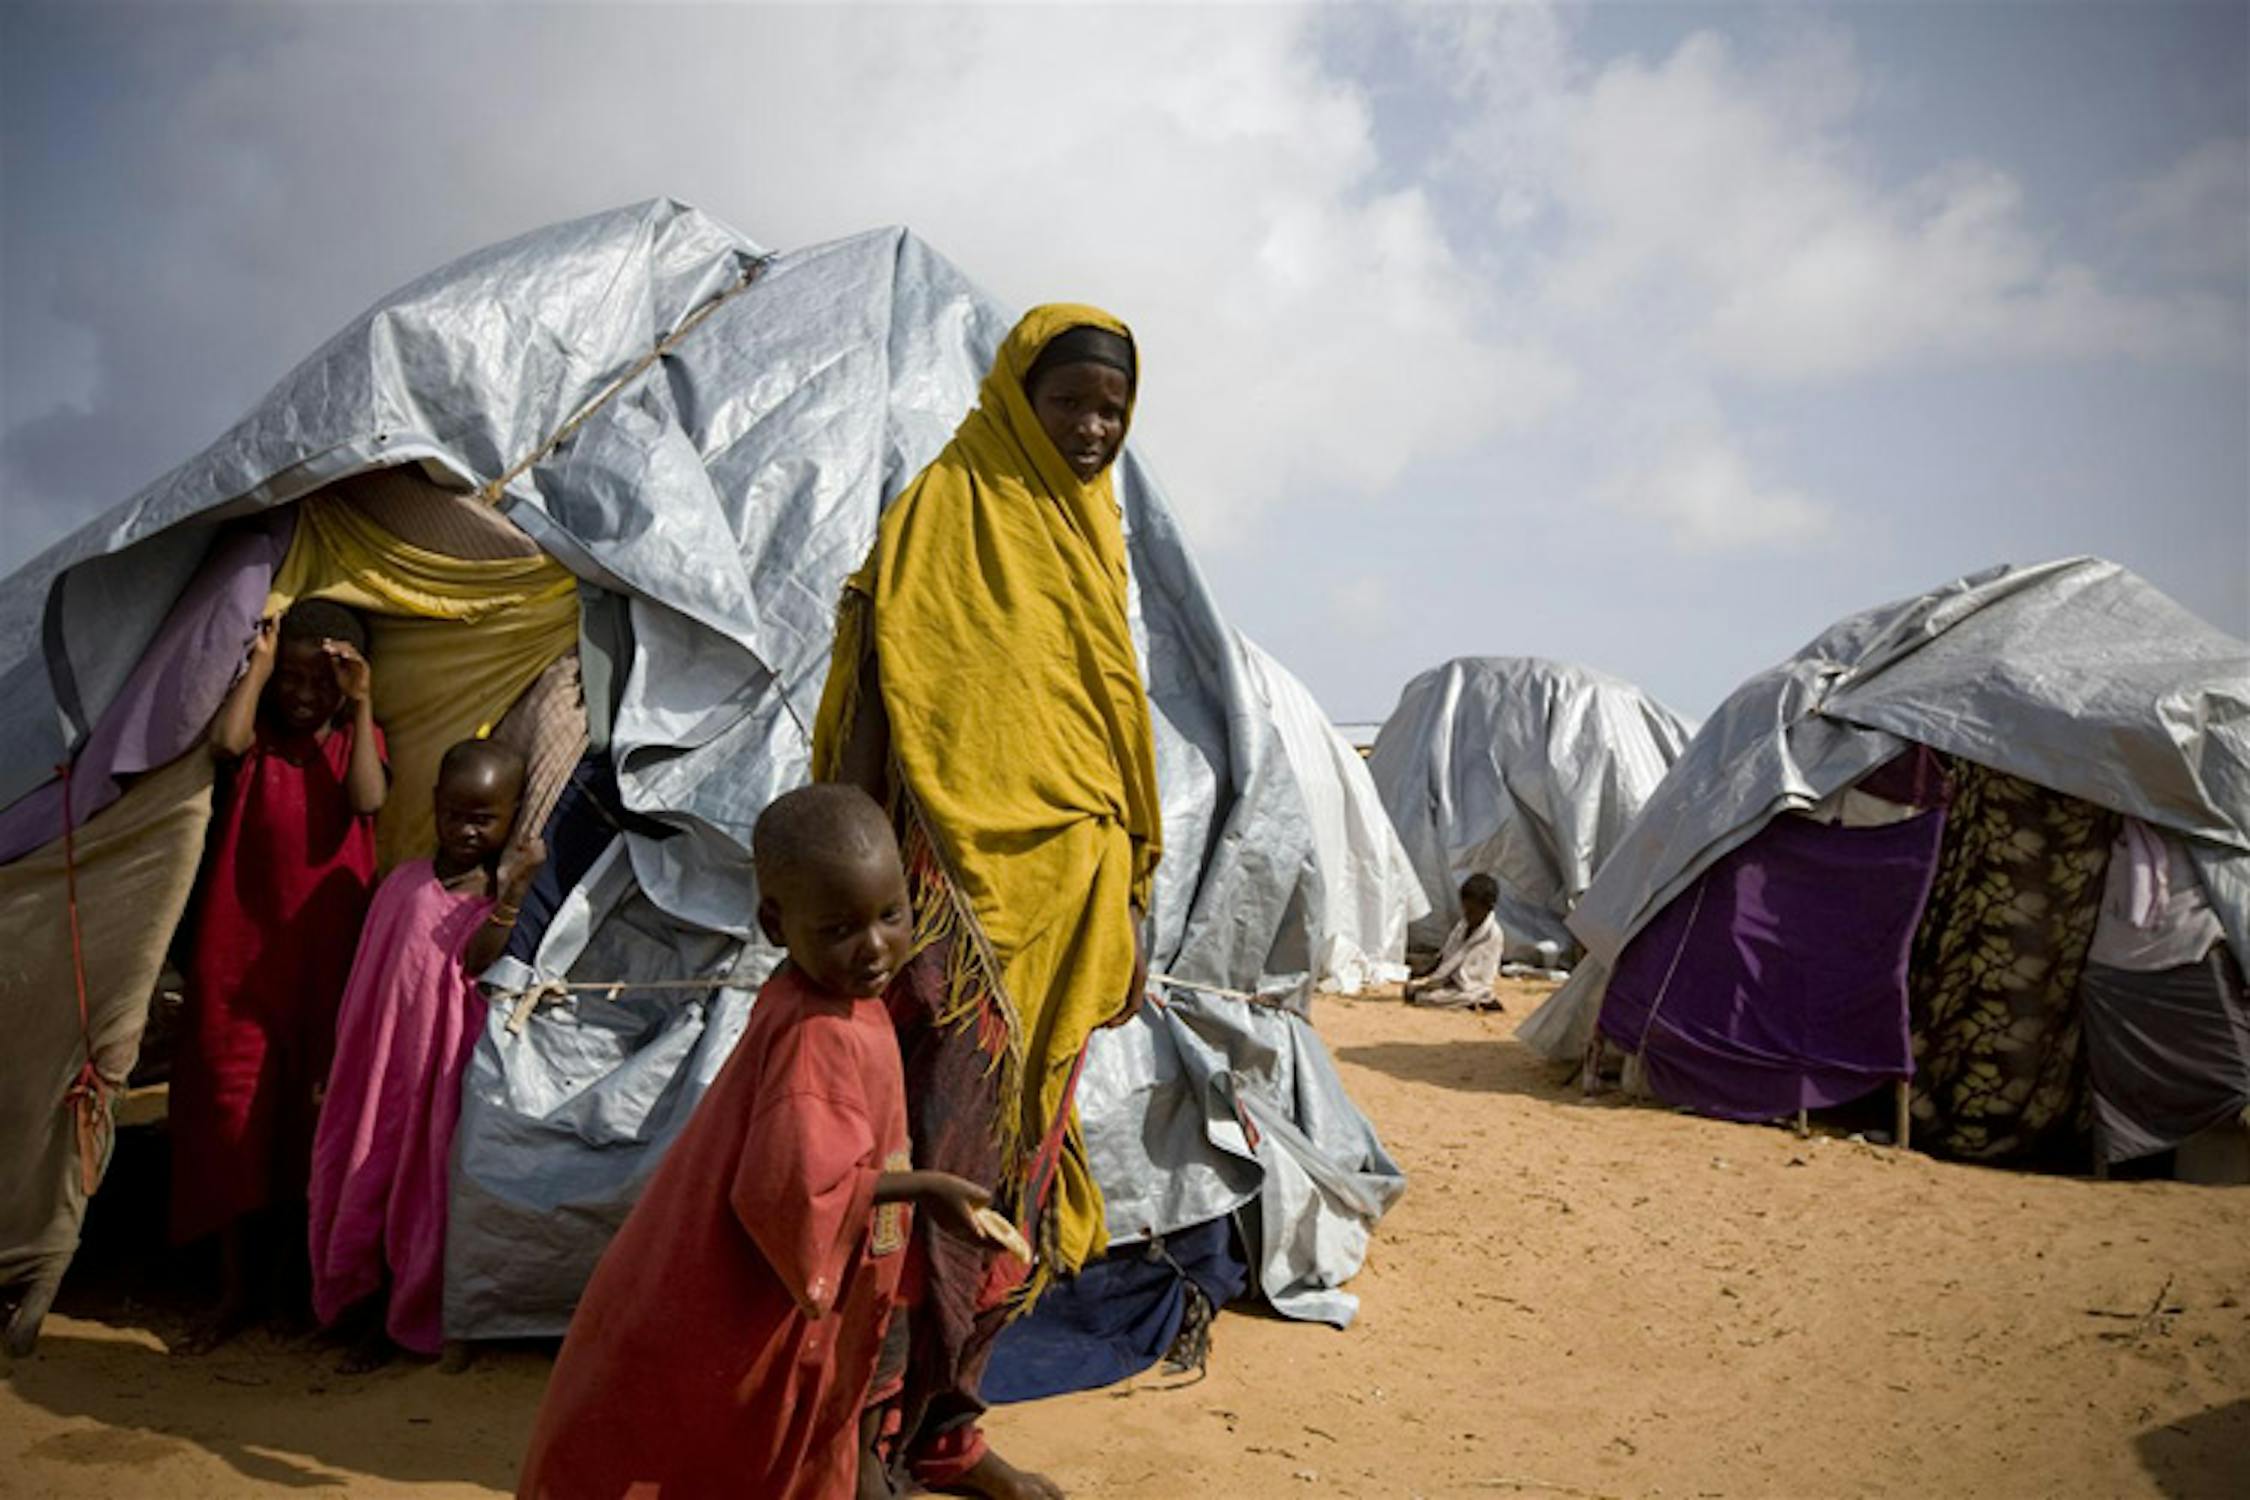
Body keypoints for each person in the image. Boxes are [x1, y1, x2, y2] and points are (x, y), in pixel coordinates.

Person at [811, 306, 1161, 1500]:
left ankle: (948, 1429)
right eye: (1071, 402)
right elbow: (880, 686)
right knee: (914, 1175)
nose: (1093, 425)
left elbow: (1110, 738)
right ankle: (855, 1435)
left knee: (1011, 1184)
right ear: (1023, 396)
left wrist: (1132, 917)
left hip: (1068, 922)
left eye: (1113, 407)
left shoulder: (1095, 534)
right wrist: (842, 873)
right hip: (951, 921)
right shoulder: (945, 511)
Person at [517, 784, 1001, 1500]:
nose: (874, 947)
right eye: (840, 930)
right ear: (776, 925)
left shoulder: (832, 995)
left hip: (773, 1271)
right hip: (755, 1286)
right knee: (741, 1444)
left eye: (890, 916)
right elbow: (792, 1191)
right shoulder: (821, 1037)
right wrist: (926, 1190)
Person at [170, 599, 387, 1354]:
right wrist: (258, 665)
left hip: (325, 971)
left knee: (308, 1126)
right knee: (232, 1122)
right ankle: (233, 1290)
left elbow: (368, 799)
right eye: (288, 677)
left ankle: (292, 1289)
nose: (301, 693)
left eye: (316, 681)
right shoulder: (258, 738)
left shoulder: (357, 742)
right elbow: (224, 741)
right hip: (238, 960)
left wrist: (360, 706)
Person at [306, 738, 543, 1373]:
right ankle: (349, 1303)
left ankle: (398, 1319)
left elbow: (479, 963)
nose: (468, 829)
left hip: (439, 1080)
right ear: (435, 804)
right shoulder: (403, 884)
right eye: (456, 812)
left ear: (512, 817)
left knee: (421, 1195)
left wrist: (516, 891)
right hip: (376, 1071)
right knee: (360, 1176)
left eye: (484, 817)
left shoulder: (493, 906)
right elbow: (368, 981)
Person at [1405, 874, 1506, 1010]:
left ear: (1489, 907)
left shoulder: (1492, 935)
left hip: (1472, 988)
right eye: (1465, 909)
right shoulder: (1462, 926)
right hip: (1452, 984)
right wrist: (1425, 971)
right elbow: (1448, 955)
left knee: (1428, 998)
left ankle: (1480, 1002)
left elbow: (1479, 975)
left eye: (1472, 911)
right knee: (1414, 991)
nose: (1467, 915)